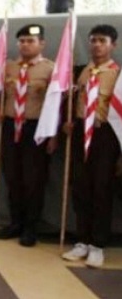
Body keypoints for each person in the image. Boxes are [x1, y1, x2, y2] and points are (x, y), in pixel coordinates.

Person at [61, 25, 120, 267]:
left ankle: (97, 244)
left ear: (113, 45)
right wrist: (68, 123)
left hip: (105, 135)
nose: (96, 45)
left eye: (102, 41)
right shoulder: (81, 71)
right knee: (80, 187)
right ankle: (81, 240)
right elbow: (71, 100)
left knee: (101, 189)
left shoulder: (117, 74)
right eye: (93, 40)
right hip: (79, 132)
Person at [0, 24, 56, 247]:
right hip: (11, 126)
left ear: (42, 44)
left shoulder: (50, 69)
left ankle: (31, 227)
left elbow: (57, 104)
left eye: (31, 41)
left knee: (33, 180)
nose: (25, 45)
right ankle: (15, 222)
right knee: (12, 176)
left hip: (36, 129)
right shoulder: (8, 67)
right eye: (22, 41)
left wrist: (53, 135)